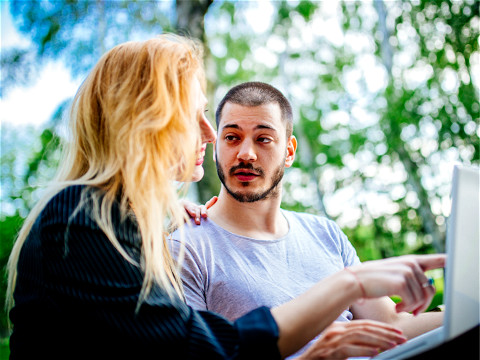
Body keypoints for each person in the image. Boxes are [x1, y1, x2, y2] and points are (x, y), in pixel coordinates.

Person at [6, 36, 445, 360]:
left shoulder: (115, 224)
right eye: (192, 116)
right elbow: (208, 350)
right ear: (145, 123)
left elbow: (396, 327)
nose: (211, 135)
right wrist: (348, 286)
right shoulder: (80, 223)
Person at [172, 82, 444, 359]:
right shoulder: (185, 247)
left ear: (289, 151)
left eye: (263, 139)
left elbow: (393, 325)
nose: (246, 154)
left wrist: (466, 307)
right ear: (216, 146)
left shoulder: (324, 232)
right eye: (231, 137)